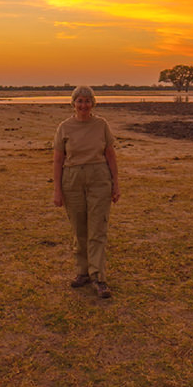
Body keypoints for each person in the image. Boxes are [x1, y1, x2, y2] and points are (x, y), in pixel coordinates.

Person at [52, 85, 120, 298]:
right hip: (72, 180)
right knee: (79, 229)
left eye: (87, 101)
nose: (84, 105)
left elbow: (110, 155)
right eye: (80, 101)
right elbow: (58, 159)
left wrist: (115, 183)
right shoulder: (64, 127)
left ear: (93, 103)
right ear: (73, 103)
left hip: (99, 179)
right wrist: (57, 190)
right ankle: (82, 273)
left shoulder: (101, 125)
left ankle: (98, 277)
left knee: (97, 229)